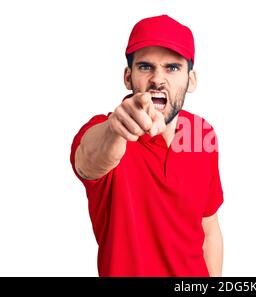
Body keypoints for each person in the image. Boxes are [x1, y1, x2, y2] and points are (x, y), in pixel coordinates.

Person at [70, 15, 224, 277]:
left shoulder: (201, 132)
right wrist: (116, 129)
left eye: (172, 68)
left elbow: (208, 228)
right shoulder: (105, 130)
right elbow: (88, 160)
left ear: (192, 80)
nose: (157, 80)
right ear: (128, 77)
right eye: (145, 67)